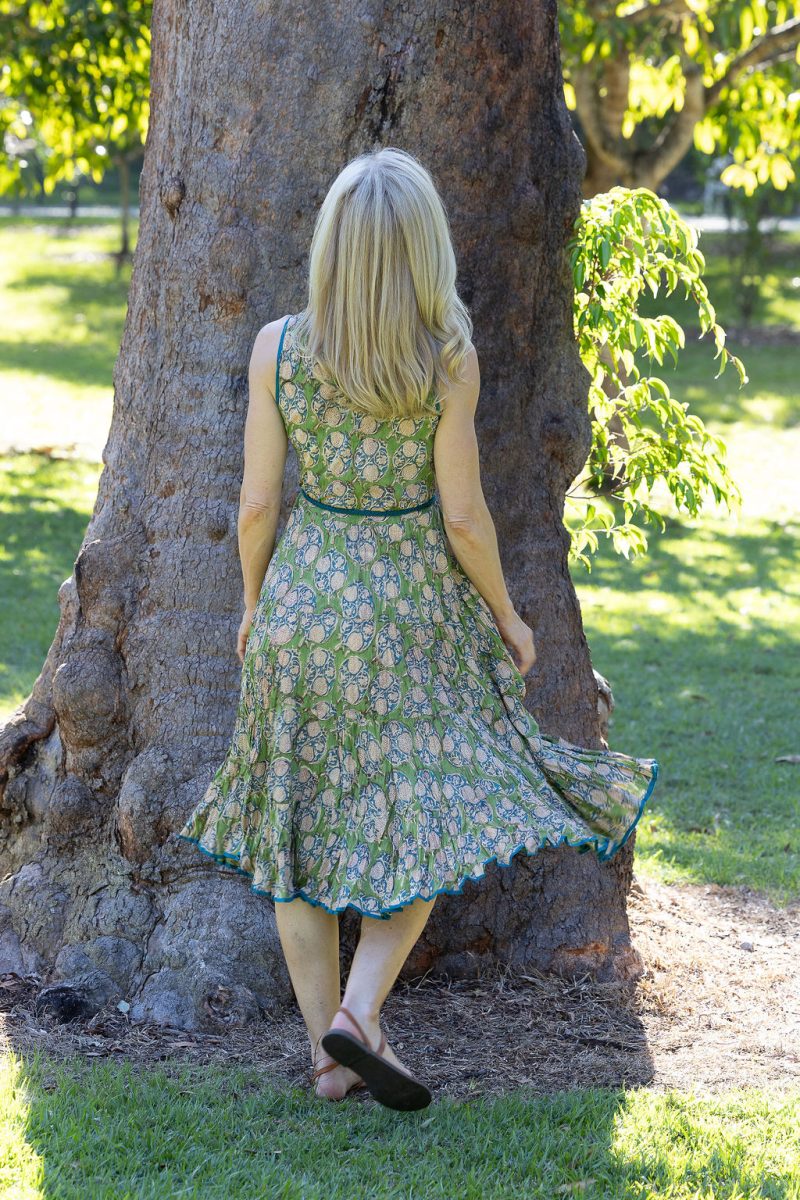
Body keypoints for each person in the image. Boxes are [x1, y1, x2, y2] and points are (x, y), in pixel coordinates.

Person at [174, 147, 659, 1111]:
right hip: (411, 616)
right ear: (422, 250)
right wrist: (511, 619)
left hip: (304, 610)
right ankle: (357, 1013)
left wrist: (253, 605)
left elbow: (258, 508)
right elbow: (466, 519)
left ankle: (328, 1052)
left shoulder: (278, 347)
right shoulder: (446, 359)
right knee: (433, 817)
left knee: (295, 829)